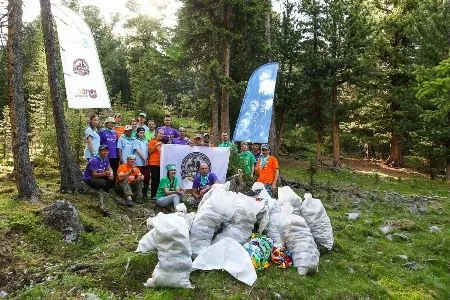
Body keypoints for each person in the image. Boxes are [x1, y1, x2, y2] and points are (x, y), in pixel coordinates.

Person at [83, 144, 114, 216]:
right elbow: (94, 174)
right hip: (90, 178)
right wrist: (105, 174)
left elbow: (109, 168)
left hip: (100, 175)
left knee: (112, 177)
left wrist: (111, 174)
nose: (105, 152)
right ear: (100, 152)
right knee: (103, 183)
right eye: (103, 151)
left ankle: (106, 189)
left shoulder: (105, 158)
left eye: (106, 151)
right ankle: (102, 189)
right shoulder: (94, 160)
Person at [133, 127, 150, 199]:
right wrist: (144, 159)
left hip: (145, 163)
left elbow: (148, 150)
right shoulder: (136, 140)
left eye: (143, 133)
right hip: (139, 162)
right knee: (139, 178)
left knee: (147, 177)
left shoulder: (146, 140)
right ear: (137, 133)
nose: (142, 134)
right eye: (141, 133)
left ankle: (145, 193)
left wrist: (147, 158)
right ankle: (138, 194)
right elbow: (137, 150)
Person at [148, 129, 164, 199]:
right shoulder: (152, 141)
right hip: (153, 163)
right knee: (154, 179)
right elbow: (149, 152)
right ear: (156, 134)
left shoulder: (162, 143)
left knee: (158, 179)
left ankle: (156, 194)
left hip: (160, 163)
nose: (161, 135)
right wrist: (156, 145)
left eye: (162, 134)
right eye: (160, 133)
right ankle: (152, 195)